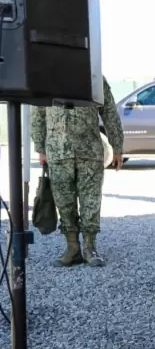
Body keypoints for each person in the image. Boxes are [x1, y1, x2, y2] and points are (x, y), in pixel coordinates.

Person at [30, 77, 124, 267]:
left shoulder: (94, 75)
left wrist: (117, 146)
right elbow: (38, 112)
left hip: (89, 150)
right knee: (64, 203)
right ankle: (72, 248)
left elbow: (109, 111)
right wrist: (40, 147)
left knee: (91, 201)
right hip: (57, 151)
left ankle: (90, 248)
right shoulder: (47, 77)